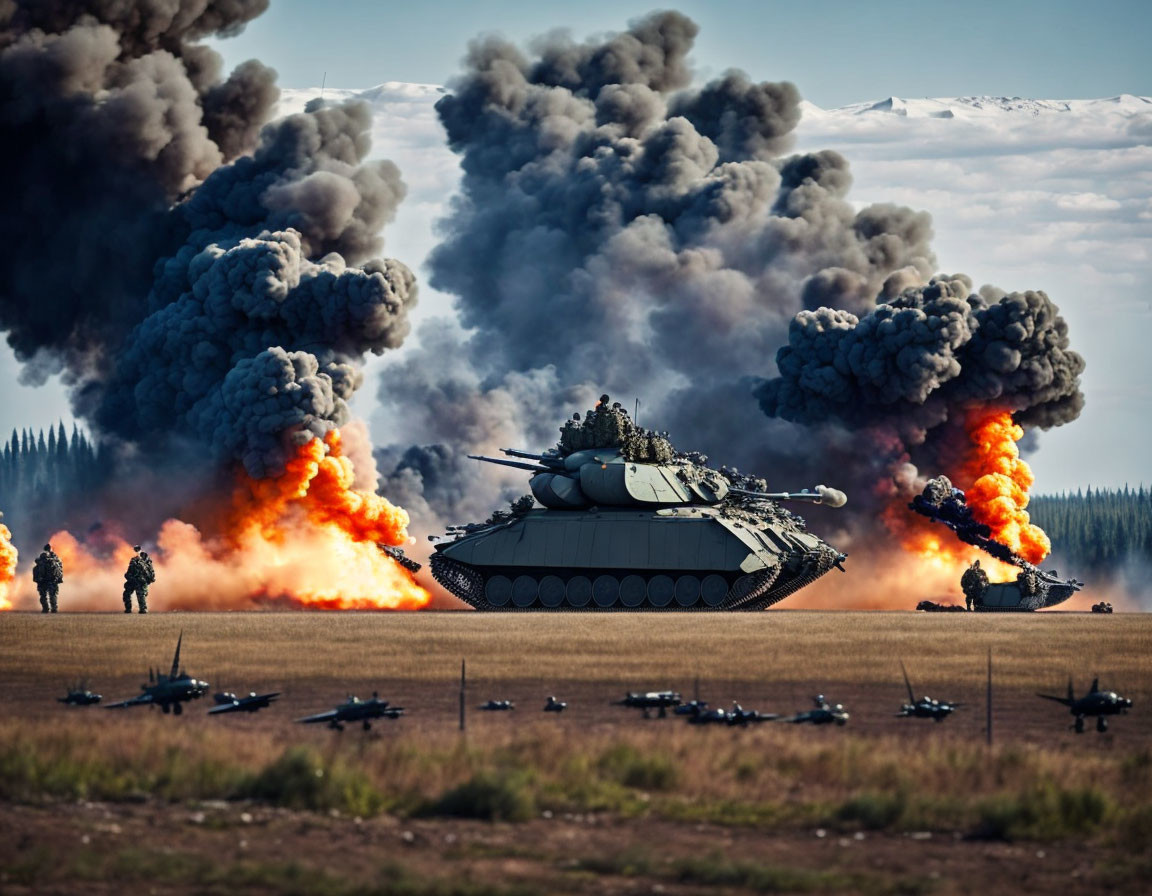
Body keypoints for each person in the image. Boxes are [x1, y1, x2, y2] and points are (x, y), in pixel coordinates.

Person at [123, 546, 156, 614]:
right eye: (136, 549)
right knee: (126, 594)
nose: (136, 551)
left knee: (141, 595)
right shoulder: (133, 560)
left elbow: (151, 571)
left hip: (141, 581)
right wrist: (128, 576)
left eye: (138, 549)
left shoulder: (146, 559)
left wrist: (149, 579)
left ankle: (143, 609)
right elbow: (129, 571)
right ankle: (128, 608)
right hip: (133, 579)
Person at [33, 543, 64, 613]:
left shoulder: (42, 558)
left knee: (43, 596)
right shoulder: (56, 559)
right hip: (52, 581)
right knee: (53, 595)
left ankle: (45, 609)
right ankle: (54, 609)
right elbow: (60, 569)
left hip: (42, 581)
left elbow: (37, 565)